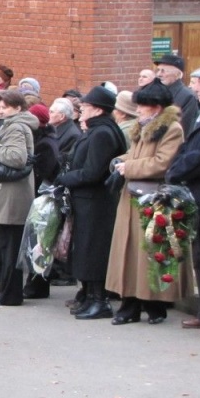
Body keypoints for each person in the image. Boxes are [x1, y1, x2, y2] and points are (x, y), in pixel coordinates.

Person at [106, 79, 188, 325]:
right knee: (129, 254)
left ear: (157, 107)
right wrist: (120, 161)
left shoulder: (171, 129)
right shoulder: (143, 126)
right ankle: (133, 303)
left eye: (143, 105)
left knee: (147, 255)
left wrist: (127, 167)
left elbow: (163, 163)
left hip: (154, 199)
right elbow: (135, 155)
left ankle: (149, 304)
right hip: (133, 197)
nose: (138, 109)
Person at [56, 87, 127, 319]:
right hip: (87, 200)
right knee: (85, 249)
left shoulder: (103, 133)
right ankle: (88, 295)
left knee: (93, 250)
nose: (81, 110)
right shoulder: (96, 130)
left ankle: (100, 300)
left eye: (85, 106)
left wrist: (66, 178)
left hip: (96, 201)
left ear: (97, 109)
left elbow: (93, 172)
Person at [0, 90, 38, 306]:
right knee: (8, 247)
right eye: (0, 106)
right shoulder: (14, 125)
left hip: (12, 196)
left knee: (11, 248)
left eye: (5, 107)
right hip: (10, 195)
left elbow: (17, 158)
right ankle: (6, 294)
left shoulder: (16, 126)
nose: (1, 110)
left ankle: (10, 295)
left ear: (17, 108)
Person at [167, 67, 200, 334]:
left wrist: (176, 171)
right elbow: (188, 149)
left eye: (199, 83)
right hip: (198, 194)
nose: (194, 88)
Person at [154, 54, 198, 136]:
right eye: (158, 70)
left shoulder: (187, 96)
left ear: (177, 74)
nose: (159, 74)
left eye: (163, 71)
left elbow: (184, 129)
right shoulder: (156, 92)